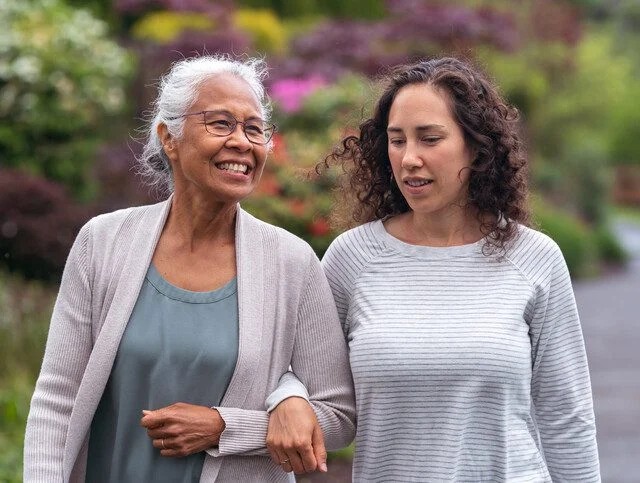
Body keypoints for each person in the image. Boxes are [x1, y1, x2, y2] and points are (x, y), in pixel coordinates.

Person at [23, 55, 355, 483]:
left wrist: (227, 427)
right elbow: (57, 399)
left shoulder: (292, 262)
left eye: (254, 129)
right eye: (221, 124)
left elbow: (338, 415)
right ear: (170, 138)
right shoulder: (103, 242)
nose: (242, 142)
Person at [267, 57, 600, 481]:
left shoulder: (534, 257)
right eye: (397, 140)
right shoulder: (352, 257)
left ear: (476, 147)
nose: (408, 159)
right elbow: (298, 371)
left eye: (429, 139)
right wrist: (289, 396)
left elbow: (566, 417)